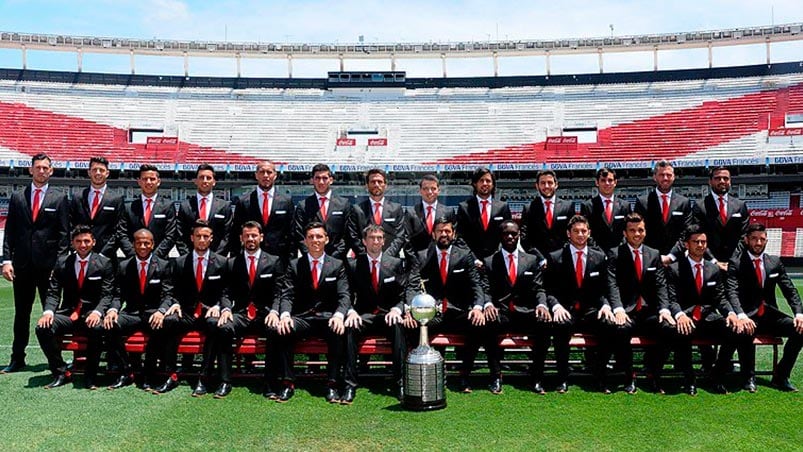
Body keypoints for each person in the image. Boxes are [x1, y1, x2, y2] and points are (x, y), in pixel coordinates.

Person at [660, 225, 751, 395]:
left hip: (707, 317)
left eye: (703, 242)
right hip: (686, 316)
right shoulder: (674, 269)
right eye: (696, 242)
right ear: (686, 244)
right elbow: (672, 299)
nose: (700, 245)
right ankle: (690, 380)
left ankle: (716, 376)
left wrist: (731, 314)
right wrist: (679, 315)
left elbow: (720, 298)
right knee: (680, 330)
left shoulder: (713, 269)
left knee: (736, 330)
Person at [1, 153, 69, 374]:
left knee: (52, 314)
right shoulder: (17, 197)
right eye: (38, 167)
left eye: (45, 168)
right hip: (21, 267)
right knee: (22, 314)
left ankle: (56, 362)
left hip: (48, 269)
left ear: (51, 171)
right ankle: (17, 358)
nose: (41, 171)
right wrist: (6, 260)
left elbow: (63, 236)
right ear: (30, 170)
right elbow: (10, 231)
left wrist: (58, 267)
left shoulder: (59, 198)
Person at [273, 222, 354, 404]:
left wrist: (339, 315)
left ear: (326, 239)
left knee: (340, 330)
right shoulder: (295, 265)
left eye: (319, 236)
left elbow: (344, 295)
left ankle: (332, 383)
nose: (315, 240)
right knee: (284, 329)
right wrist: (284, 315)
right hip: (303, 318)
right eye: (311, 237)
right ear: (305, 241)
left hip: (327, 317)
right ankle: (287, 382)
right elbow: (287, 294)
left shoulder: (337, 265)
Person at [410, 216, 490, 393]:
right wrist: (411, 309)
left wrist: (478, 307)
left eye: (447, 231)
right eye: (440, 231)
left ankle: (464, 376)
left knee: (478, 324)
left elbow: (476, 284)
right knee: (409, 327)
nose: (444, 234)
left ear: (453, 234)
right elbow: (413, 285)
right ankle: (421, 374)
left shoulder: (465, 256)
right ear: (433, 234)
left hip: (458, 312)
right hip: (433, 314)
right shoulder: (422, 256)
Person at [152, 220, 230, 396]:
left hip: (209, 311)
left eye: (205, 236)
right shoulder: (179, 263)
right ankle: (170, 375)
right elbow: (172, 290)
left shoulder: (222, 262)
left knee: (214, 324)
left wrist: (219, 306)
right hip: (187, 311)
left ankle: (204, 376)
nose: (201, 240)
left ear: (211, 239)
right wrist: (175, 304)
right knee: (170, 321)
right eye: (198, 236)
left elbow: (226, 291)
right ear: (191, 238)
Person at [723, 222, 803, 392]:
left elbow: (790, 290)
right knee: (745, 328)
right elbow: (732, 292)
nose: (758, 243)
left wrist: (799, 313)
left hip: (769, 316)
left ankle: (781, 376)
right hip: (748, 315)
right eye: (754, 239)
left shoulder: (774, 262)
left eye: (762, 239)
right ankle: (748, 376)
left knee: (800, 329)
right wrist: (741, 315)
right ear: (746, 240)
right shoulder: (736, 263)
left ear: (766, 241)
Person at [35, 225, 115, 389]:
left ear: (93, 242)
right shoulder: (63, 262)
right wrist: (48, 312)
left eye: (86, 241)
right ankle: (61, 372)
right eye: (78, 241)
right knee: (42, 327)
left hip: (91, 314)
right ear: (72, 243)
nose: (83, 245)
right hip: (68, 314)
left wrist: (98, 312)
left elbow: (107, 294)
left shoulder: (104, 263)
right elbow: (53, 291)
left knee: (97, 328)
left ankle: (90, 376)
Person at [543, 215, 615, 393]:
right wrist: (556, 306)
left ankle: (599, 377)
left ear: (589, 233)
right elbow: (548, 290)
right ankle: (562, 378)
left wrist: (605, 305)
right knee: (560, 326)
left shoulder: (599, 258)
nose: (580, 235)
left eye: (584, 231)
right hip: (566, 309)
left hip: (590, 310)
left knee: (609, 325)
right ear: (569, 234)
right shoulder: (555, 257)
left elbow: (604, 289)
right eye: (576, 231)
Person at [215, 221, 285, 399]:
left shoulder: (274, 261)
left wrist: (274, 312)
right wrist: (225, 310)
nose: (250, 239)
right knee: (223, 328)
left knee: (275, 330)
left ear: (261, 237)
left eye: (254, 235)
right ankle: (224, 381)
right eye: (247, 236)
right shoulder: (231, 263)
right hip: (241, 314)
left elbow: (279, 292)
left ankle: (270, 382)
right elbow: (225, 292)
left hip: (265, 314)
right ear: (241, 238)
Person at [344, 225, 412, 401]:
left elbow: (403, 293)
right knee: (350, 329)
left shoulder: (396, 263)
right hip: (364, 316)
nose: (376, 241)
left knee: (399, 326)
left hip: (387, 315)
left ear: (384, 241)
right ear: (364, 241)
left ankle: (400, 383)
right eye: (372, 238)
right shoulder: (352, 265)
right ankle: (349, 385)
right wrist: (350, 311)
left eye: (379, 238)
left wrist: (397, 309)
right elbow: (346, 294)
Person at [483, 220, 551, 394]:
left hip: (526, 312)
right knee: (488, 323)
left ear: (519, 234)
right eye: (506, 233)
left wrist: (542, 305)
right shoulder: (490, 261)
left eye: (514, 233)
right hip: (502, 312)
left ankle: (536, 378)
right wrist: (488, 304)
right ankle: (496, 377)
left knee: (544, 323)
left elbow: (539, 288)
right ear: (500, 236)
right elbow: (486, 289)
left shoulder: (531, 260)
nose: (510, 237)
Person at [102, 228, 175, 391]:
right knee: (110, 324)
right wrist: (113, 310)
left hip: (152, 313)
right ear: (133, 244)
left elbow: (168, 295)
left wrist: (161, 311)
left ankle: (149, 374)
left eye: (146, 243)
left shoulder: (163, 265)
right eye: (139, 243)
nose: (143, 246)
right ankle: (126, 372)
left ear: (152, 244)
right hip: (131, 313)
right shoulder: (124, 266)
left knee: (161, 326)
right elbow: (117, 294)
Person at [605, 213, 669, 394]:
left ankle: (654, 374)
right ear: (625, 233)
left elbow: (661, 285)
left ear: (645, 231)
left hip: (649, 312)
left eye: (640, 230)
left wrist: (664, 309)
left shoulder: (654, 254)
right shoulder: (615, 253)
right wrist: (617, 308)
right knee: (620, 329)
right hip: (626, 311)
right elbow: (612, 283)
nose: (637, 234)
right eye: (632, 230)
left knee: (668, 329)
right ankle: (628, 375)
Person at [231, 161, 295, 261]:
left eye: (269, 172)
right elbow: (235, 233)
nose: (265, 175)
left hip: (279, 258)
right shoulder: (244, 201)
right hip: (251, 258)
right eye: (262, 172)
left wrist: (291, 260)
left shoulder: (286, 201)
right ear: (256, 175)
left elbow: (292, 233)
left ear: (275, 175)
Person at [634, 160, 695, 265]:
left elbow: (686, 233)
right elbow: (638, 231)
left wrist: (671, 256)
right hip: (650, 260)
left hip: (677, 260)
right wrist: (653, 255)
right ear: (654, 177)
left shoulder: (684, 202)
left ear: (674, 177)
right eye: (661, 175)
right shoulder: (643, 202)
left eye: (668, 175)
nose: (665, 178)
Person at [692, 166, 749, 269]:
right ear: (710, 181)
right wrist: (714, 261)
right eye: (718, 178)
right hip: (709, 266)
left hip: (735, 265)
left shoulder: (740, 206)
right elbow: (697, 237)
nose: (722, 181)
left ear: (730, 181)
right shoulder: (700, 206)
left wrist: (733, 260)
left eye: (726, 178)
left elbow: (744, 236)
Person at [69, 156, 124, 261]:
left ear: (107, 173)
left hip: (106, 257)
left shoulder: (116, 199)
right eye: (94, 170)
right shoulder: (77, 197)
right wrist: (75, 249)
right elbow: (70, 226)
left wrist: (104, 253)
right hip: (79, 255)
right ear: (89, 172)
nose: (98, 173)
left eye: (101, 170)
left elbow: (118, 230)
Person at [292, 163, 352, 260]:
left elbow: (348, 235)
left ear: (331, 180)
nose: (321, 182)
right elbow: (299, 235)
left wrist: (336, 256)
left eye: (325, 178)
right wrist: (311, 256)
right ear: (312, 180)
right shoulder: (303, 206)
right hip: (311, 260)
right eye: (317, 178)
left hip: (338, 259)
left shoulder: (344, 204)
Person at [118, 164, 177, 259]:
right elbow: (122, 234)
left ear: (158, 182)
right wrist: (134, 255)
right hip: (134, 261)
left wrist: (155, 257)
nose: (148, 182)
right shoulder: (129, 207)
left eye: (152, 179)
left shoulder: (168, 206)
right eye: (145, 179)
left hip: (160, 262)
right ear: (139, 182)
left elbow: (171, 235)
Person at [346, 168, 407, 258]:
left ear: (385, 185)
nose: (376, 185)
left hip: (390, 261)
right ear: (367, 185)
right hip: (365, 262)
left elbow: (400, 236)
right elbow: (353, 236)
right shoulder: (357, 209)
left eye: (379, 181)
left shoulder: (396, 209)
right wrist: (367, 256)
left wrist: (387, 257)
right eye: (373, 182)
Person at [456, 167, 511, 261]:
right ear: (475, 183)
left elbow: (508, 234)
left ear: (493, 184)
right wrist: (473, 259)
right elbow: (460, 238)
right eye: (481, 180)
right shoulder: (464, 207)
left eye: (488, 181)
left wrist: (497, 256)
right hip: (472, 262)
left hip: (497, 261)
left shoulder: (503, 207)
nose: (485, 184)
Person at [176, 164, 232, 256]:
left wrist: (216, 258)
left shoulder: (224, 206)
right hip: (190, 259)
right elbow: (180, 235)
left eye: (208, 178)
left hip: (216, 261)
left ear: (214, 182)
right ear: (196, 181)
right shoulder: (185, 206)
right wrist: (188, 256)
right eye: (201, 177)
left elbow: (227, 235)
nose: (205, 181)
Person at [403, 174, 456, 267]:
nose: (429, 192)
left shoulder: (449, 212)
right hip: (417, 265)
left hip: (442, 264)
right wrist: (416, 262)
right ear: (420, 191)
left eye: (433, 188)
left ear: (438, 191)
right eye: (425, 189)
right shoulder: (411, 213)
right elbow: (406, 241)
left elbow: (453, 238)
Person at [520, 169, 575, 257]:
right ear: (537, 186)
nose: (546, 186)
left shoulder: (568, 206)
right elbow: (524, 238)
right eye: (542, 183)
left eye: (550, 182)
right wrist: (539, 258)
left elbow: (572, 235)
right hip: (538, 261)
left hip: (563, 259)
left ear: (556, 185)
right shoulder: (528, 209)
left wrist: (560, 256)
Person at [580, 167, 631, 253]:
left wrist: (618, 250)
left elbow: (628, 231)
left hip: (620, 254)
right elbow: (586, 232)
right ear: (597, 182)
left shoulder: (625, 206)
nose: (607, 183)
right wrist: (598, 252)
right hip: (596, 254)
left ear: (615, 182)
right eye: (603, 180)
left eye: (610, 180)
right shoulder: (588, 206)